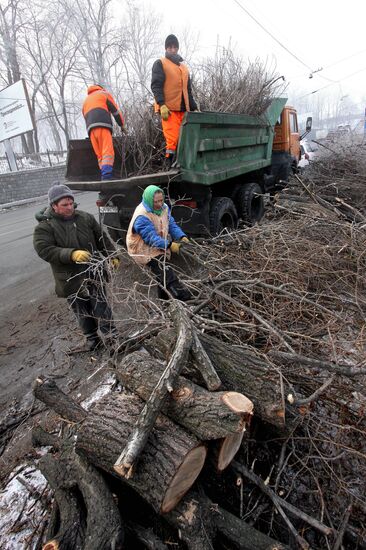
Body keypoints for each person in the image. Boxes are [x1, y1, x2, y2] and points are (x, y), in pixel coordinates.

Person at [33, 182, 120, 351]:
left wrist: (112, 256)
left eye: (71, 203)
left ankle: (111, 337)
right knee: (82, 309)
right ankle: (92, 339)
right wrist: (71, 254)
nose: (69, 207)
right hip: (70, 278)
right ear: (54, 206)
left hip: (94, 272)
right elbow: (45, 250)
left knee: (101, 304)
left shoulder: (85, 218)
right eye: (64, 205)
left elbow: (102, 238)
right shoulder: (45, 227)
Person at [126, 185, 191, 301]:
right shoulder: (141, 216)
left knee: (161, 276)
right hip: (142, 249)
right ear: (149, 200)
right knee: (166, 272)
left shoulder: (164, 208)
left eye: (161, 200)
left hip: (159, 243)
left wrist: (181, 236)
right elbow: (150, 238)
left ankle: (164, 303)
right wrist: (170, 245)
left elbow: (171, 225)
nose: (160, 204)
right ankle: (183, 298)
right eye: (156, 201)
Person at [151, 34, 198, 167]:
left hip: (184, 110)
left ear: (177, 48)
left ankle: (183, 167)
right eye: (170, 47)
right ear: (166, 48)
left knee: (185, 141)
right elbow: (156, 86)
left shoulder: (184, 68)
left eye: (174, 47)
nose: (172, 49)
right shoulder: (160, 63)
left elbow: (187, 91)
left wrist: (194, 107)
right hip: (169, 110)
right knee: (173, 141)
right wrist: (162, 105)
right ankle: (169, 169)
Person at [82, 84, 125, 180]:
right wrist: (122, 125)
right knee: (107, 153)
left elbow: (85, 117)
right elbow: (115, 112)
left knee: (100, 155)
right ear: (101, 88)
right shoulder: (103, 94)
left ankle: (104, 175)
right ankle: (106, 176)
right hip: (103, 126)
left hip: (91, 130)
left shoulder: (86, 101)